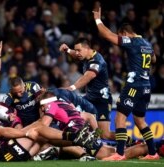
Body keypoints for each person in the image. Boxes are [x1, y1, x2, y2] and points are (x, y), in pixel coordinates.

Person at [93, 7, 159, 160]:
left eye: (121, 37)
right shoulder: (147, 44)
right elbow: (154, 59)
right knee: (139, 120)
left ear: (124, 34)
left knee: (120, 118)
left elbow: (107, 35)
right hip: (146, 86)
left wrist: (98, 19)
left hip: (134, 85)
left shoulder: (132, 41)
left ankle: (119, 154)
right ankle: (152, 152)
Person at [59, 38, 114, 140]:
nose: (77, 53)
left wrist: (72, 87)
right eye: (76, 50)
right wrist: (67, 50)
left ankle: (130, 141)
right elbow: (75, 53)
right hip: (89, 99)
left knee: (105, 134)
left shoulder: (97, 61)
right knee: (75, 115)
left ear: (87, 48)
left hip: (102, 101)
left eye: (79, 50)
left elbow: (88, 77)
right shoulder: (85, 55)